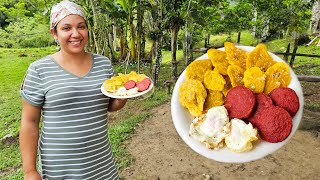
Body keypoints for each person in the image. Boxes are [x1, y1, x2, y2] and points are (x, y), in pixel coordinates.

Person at [19, 0, 127, 179]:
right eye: (66, 28)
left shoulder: (104, 64)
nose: (76, 34)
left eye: (81, 26)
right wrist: (29, 171)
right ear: (54, 33)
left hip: (101, 162)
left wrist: (121, 99)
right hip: (60, 167)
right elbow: (29, 122)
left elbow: (109, 105)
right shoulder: (39, 69)